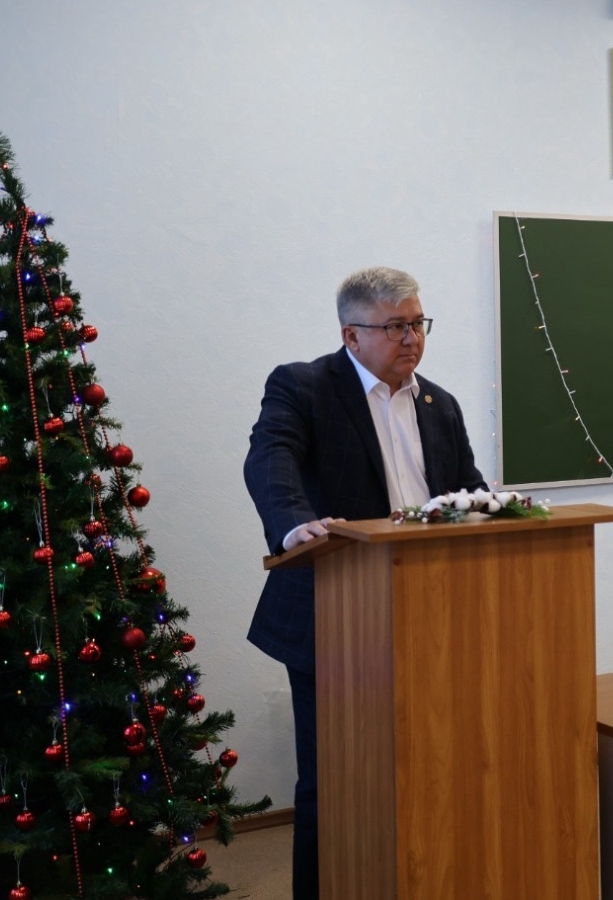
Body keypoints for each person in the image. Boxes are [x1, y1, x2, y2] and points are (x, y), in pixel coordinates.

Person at [243, 266, 487, 900]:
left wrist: (500, 512)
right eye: (395, 326)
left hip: (432, 613)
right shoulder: (303, 386)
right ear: (351, 334)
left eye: (418, 323)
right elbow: (270, 458)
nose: (412, 338)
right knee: (334, 779)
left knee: (429, 764)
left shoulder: (439, 404)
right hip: (336, 612)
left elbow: (466, 489)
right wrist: (294, 524)